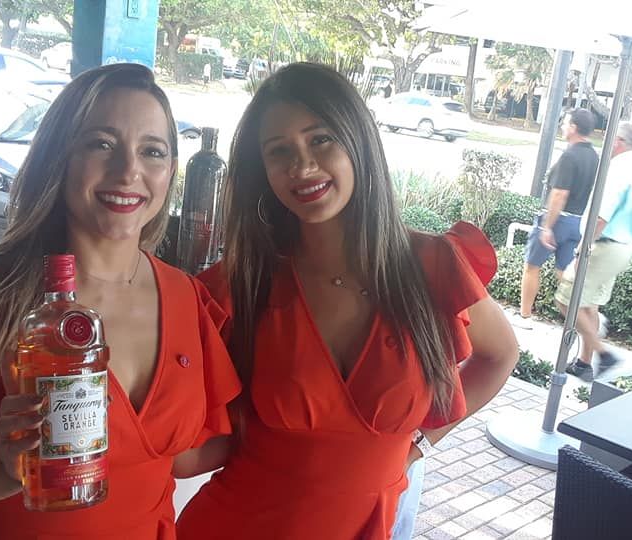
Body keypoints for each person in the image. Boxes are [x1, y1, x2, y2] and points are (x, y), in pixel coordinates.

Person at [0, 63, 240, 539]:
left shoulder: (187, 297)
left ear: (170, 172)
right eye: (101, 144)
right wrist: (6, 469)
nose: (129, 171)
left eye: (152, 151)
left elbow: (180, 456)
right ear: (58, 156)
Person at [175, 62, 518, 540]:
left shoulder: (430, 265)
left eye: (320, 139)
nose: (301, 167)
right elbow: (191, 453)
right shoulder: (243, 285)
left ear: (358, 140)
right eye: (279, 151)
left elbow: (500, 355)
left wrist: (420, 444)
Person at [557, 121, 632, 381]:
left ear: (618, 141)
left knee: (566, 299)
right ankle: (584, 363)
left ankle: (603, 353)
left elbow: (602, 215)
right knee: (589, 304)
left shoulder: (618, 170)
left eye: (609, 139)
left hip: (603, 245)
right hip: (622, 247)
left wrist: (582, 247)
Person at [519, 108, 599, 321]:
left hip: (557, 220)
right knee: (564, 271)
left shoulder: (569, 156)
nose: (562, 126)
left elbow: (559, 193)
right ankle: (586, 312)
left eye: (565, 123)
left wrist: (547, 226)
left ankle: (525, 315)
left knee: (532, 266)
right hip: (577, 221)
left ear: (574, 128)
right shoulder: (594, 157)